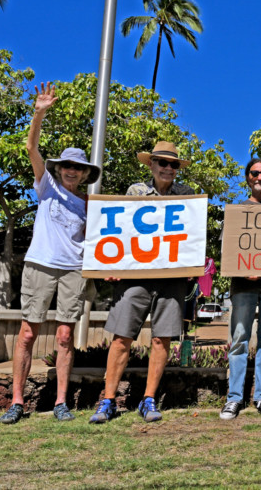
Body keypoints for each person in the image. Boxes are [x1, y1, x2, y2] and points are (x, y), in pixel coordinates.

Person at [0, 84, 102, 424]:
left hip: (73, 270)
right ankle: (16, 401)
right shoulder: (46, 185)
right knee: (28, 332)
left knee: (64, 335)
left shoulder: (89, 205)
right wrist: (39, 112)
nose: (72, 170)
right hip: (40, 265)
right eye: (67, 165)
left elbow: (101, 239)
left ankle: (61, 402)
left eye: (79, 167)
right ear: (60, 168)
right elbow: (31, 147)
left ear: (85, 173)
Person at [89, 141, 195, 424]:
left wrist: (192, 263)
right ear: (151, 164)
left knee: (162, 339)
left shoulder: (187, 195)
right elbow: (120, 231)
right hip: (135, 276)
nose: (168, 168)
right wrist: (110, 265)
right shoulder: (136, 192)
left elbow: (191, 234)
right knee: (122, 337)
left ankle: (148, 400)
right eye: (162, 162)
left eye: (173, 164)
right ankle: (108, 400)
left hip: (171, 278)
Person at [219, 158, 261, 420]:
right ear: (247, 178)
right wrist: (243, 268)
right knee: (239, 340)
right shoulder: (236, 212)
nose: (259, 177)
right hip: (242, 286)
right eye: (254, 173)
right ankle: (234, 398)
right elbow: (228, 250)